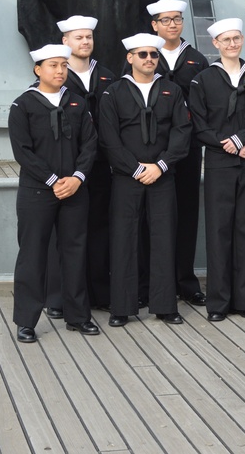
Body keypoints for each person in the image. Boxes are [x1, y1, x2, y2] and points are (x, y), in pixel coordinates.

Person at [99, 33, 192, 327]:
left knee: (164, 237)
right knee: (124, 239)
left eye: (153, 54)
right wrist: (136, 168)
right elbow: (109, 139)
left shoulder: (172, 90)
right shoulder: (113, 93)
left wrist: (161, 165)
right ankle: (122, 307)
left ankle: (165, 305)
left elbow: (182, 131)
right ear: (130, 58)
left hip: (162, 175)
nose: (149, 59)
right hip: (127, 178)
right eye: (143, 55)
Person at [8, 44, 100, 342]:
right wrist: (52, 180)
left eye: (64, 65)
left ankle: (78, 316)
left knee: (75, 252)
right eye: (53, 66)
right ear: (38, 70)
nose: (60, 71)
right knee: (32, 254)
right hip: (38, 192)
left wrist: (77, 177)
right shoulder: (23, 106)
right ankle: (26, 320)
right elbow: (23, 152)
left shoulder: (77, 103)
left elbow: (90, 144)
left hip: (75, 189)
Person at [188, 18, 245, 322]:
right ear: (216, 44)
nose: (232, 44)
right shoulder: (203, 80)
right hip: (218, 165)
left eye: (236, 39)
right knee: (219, 232)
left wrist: (243, 140)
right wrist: (225, 143)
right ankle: (218, 303)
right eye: (226, 40)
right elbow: (198, 122)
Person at [43, 15, 117, 321]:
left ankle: (98, 292)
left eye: (88, 37)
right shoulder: (55, 76)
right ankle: (58, 297)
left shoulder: (109, 76)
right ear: (65, 42)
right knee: (62, 234)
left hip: (99, 166)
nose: (85, 42)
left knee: (99, 228)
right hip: (65, 168)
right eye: (78, 38)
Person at [146, 0, 210, 307]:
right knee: (152, 217)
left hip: (186, 150)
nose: (173, 24)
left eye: (178, 19)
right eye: (166, 20)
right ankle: (151, 283)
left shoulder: (197, 60)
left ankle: (185, 281)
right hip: (151, 150)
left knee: (185, 214)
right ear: (154, 25)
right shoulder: (144, 56)